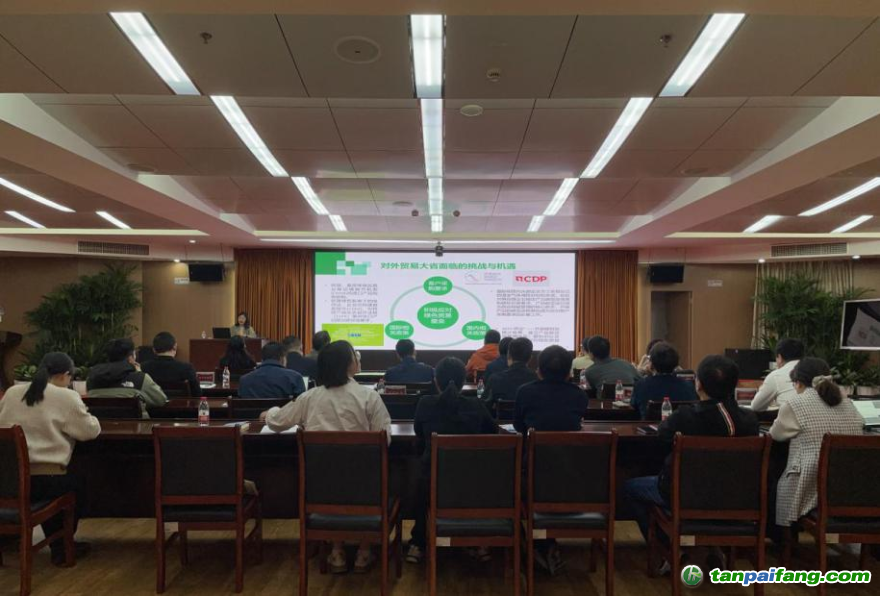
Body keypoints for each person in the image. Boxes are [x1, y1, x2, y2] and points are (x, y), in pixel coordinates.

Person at [262, 340, 391, 573]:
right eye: (354, 355)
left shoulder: (310, 397)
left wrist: (269, 413)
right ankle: (364, 551)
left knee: (333, 479)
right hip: (365, 491)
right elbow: (385, 439)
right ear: (347, 364)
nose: (358, 358)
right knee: (364, 476)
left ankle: (337, 550)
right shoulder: (369, 397)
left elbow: (277, 422)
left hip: (320, 490)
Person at [623, 355, 759, 573]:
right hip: (736, 497)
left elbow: (662, 437)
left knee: (630, 488)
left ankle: (669, 549)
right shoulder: (749, 420)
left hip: (686, 495)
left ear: (698, 384)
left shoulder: (684, 417)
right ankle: (712, 546)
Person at [0, 352, 101, 565]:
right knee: (79, 484)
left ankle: (11, 536)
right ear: (65, 375)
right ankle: (61, 545)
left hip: (8, 479)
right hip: (46, 480)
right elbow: (89, 432)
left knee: (62, 484)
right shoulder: (66, 396)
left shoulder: (12, 393)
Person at [406, 357, 497, 565]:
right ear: (463, 380)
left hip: (433, 483)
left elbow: (419, 435)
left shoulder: (425, 404)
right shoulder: (476, 405)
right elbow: (492, 434)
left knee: (421, 474)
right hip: (474, 484)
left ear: (436, 381)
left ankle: (418, 543)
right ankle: (477, 541)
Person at [770, 357, 863, 530]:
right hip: (849, 486)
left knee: (775, 469)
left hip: (811, 487)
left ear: (798, 383)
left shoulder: (795, 403)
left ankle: (780, 534)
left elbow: (776, 435)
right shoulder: (848, 403)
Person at [514, 345, 588, 434]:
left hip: (535, 443)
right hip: (569, 443)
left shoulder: (524, 392)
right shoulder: (580, 395)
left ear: (539, 372)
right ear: (569, 374)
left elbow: (518, 426)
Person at [87, 338, 168, 416]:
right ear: (130, 358)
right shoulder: (140, 379)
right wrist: (139, 373)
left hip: (101, 425)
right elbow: (161, 400)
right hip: (137, 425)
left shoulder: (92, 378)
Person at [630, 342, 698, 419]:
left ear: (651, 364)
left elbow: (634, 410)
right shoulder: (688, 386)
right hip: (682, 426)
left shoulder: (640, 386)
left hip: (649, 426)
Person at [483, 337, 538, 414]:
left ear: (508, 355)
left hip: (499, 420)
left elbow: (484, 406)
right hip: (526, 421)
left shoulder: (495, 379)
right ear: (530, 358)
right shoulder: (536, 379)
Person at [141, 331, 202, 397]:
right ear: (175, 347)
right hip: (180, 403)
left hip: (154, 403)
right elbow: (197, 394)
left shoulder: (143, 367)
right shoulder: (187, 368)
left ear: (153, 350)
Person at [750, 338, 804, 412]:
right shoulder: (815, 370)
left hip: (790, 417)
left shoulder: (776, 376)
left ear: (780, 357)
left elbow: (756, 406)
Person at [238, 342, 305, 399]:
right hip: (283, 411)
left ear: (262, 359)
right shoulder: (295, 378)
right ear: (282, 358)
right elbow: (301, 404)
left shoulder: (244, 380)